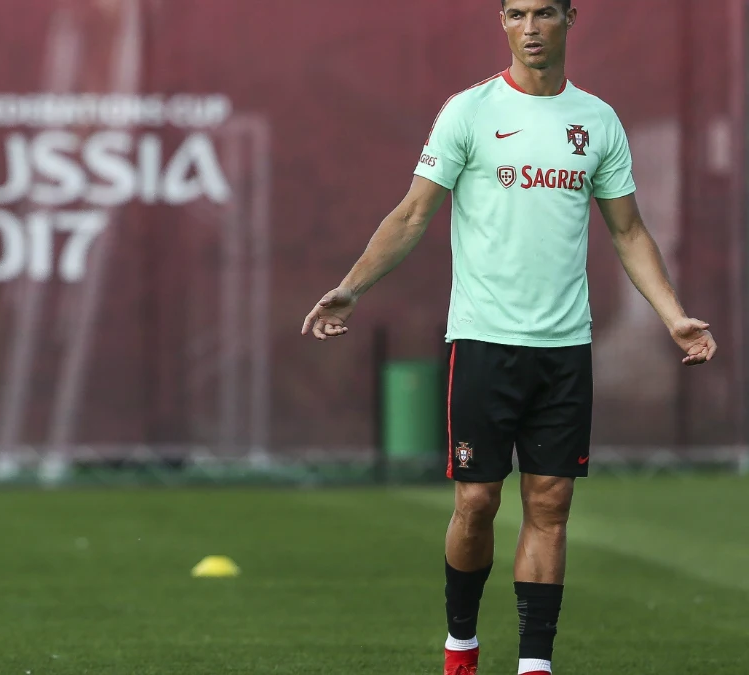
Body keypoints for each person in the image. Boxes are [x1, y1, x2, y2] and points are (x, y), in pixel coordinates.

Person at [300, 1, 716, 674]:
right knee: (477, 501)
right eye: (517, 13)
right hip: (485, 342)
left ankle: (534, 663)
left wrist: (673, 315)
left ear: (569, 19)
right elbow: (412, 214)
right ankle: (461, 643)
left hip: (564, 349)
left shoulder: (597, 121)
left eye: (544, 12)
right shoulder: (469, 112)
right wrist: (352, 285)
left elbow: (629, 231)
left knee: (550, 504)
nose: (530, 27)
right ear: (501, 21)